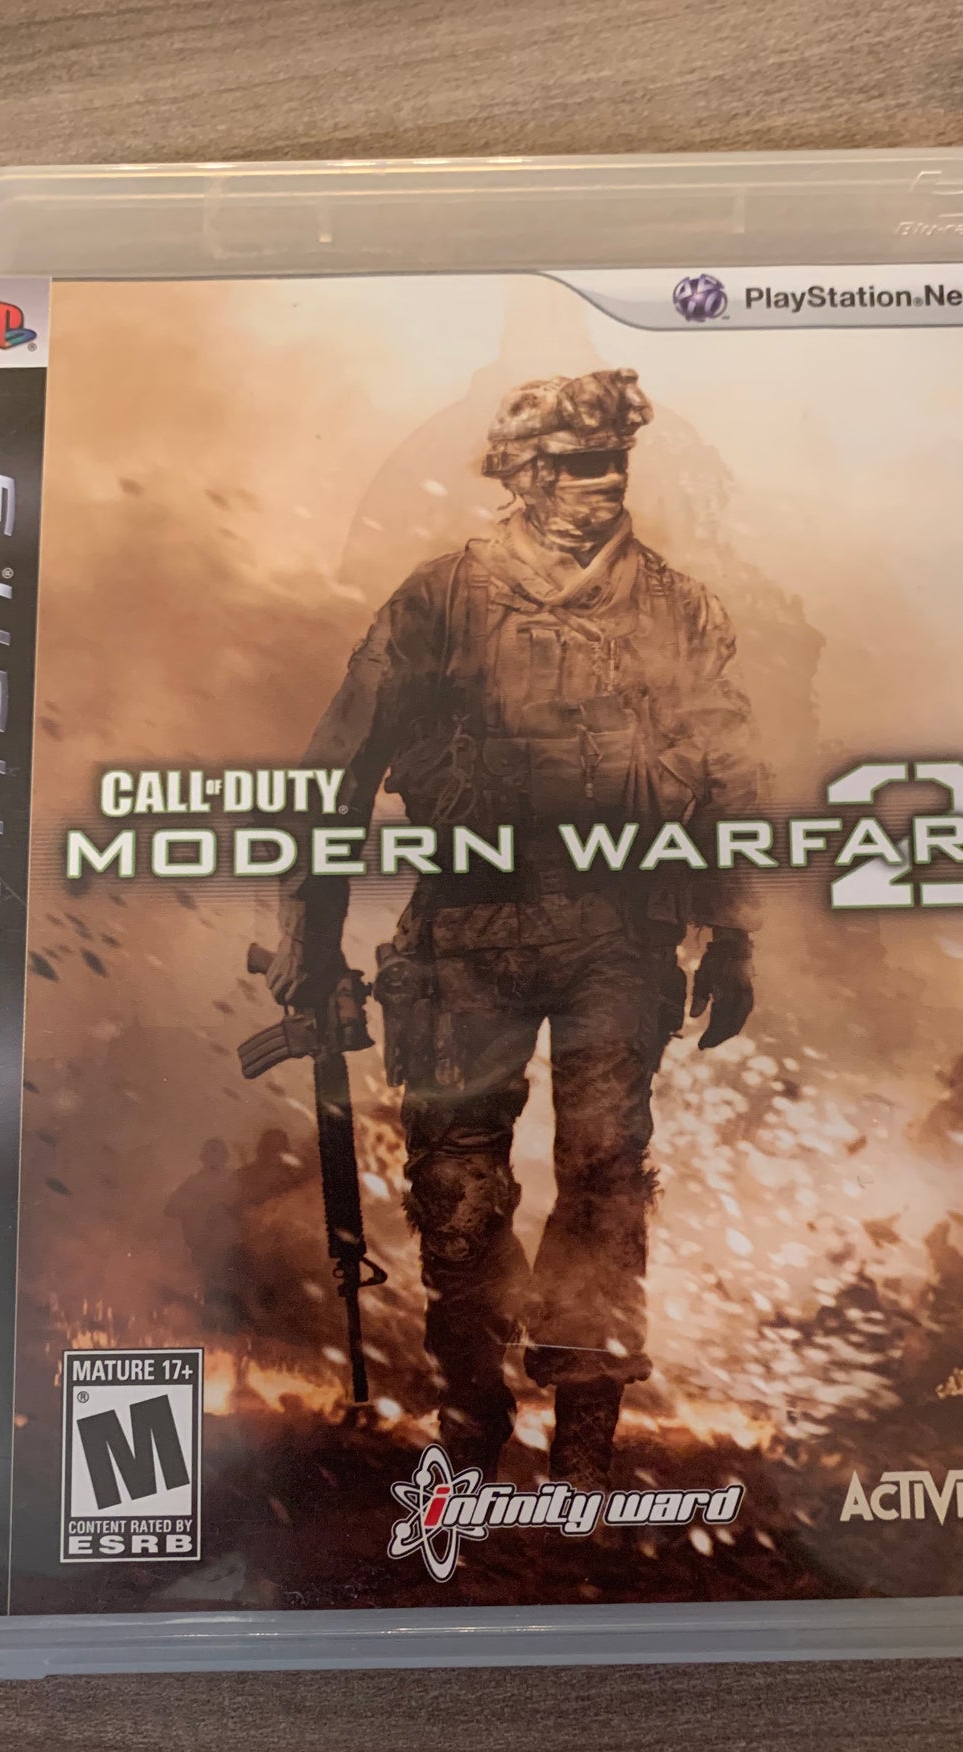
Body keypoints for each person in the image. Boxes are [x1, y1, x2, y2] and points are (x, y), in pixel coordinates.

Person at [265, 368, 765, 1485]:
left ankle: (584, 1434)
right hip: (464, 932)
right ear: (523, 474)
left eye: (613, 462)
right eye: (578, 465)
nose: (603, 483)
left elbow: (729, 779)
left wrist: (733, 934)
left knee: (605, 1174)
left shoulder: (678, 610)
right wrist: (309, 940)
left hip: (616, 933)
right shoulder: (437, 601)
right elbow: (333, 776)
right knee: (458, 1191)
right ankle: (471, 1413)